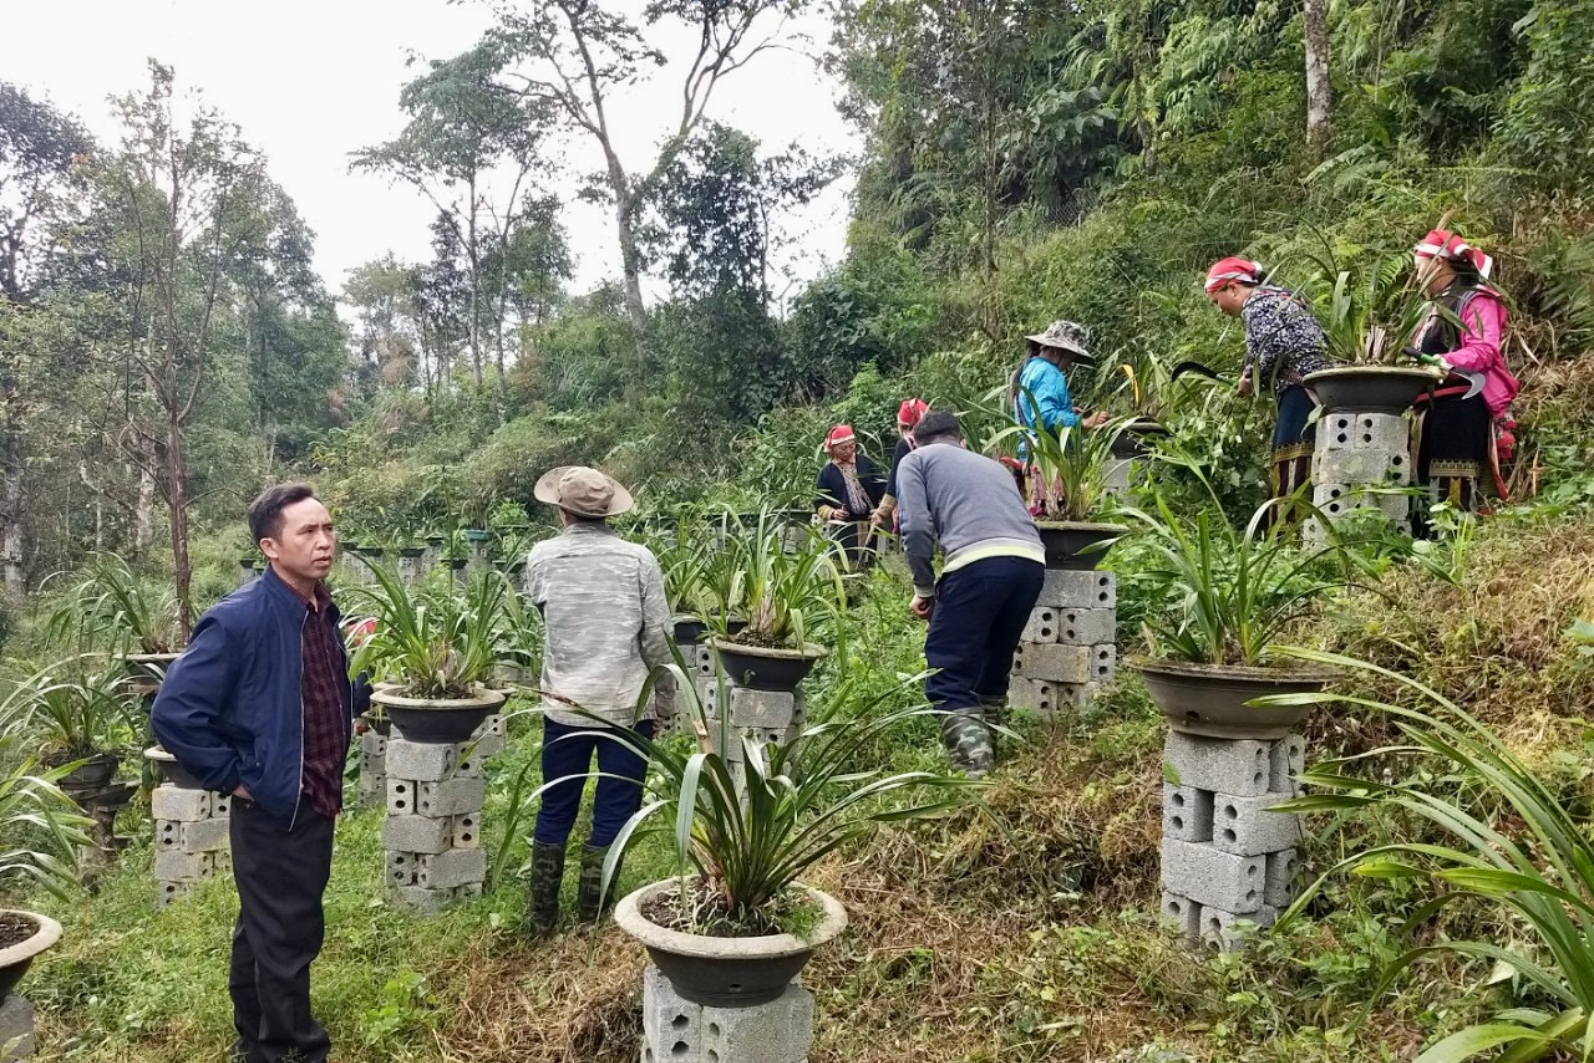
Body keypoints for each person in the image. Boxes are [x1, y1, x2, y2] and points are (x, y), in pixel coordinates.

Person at [152, 483, 368, 1063]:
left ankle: (257, 1038)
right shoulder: (239, 619)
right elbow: (173, 713)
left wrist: (358, 695)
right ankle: (296, 1050)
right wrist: (235, 777)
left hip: (314, 792)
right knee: (288, 935)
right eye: (308, 532)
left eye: (327, 528)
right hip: (277, 800)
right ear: (271, 547)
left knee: (265, 928)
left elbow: (308, 691)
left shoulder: (319, 607)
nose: (325, 542)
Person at [524, 465, 674, 936]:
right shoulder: (638, 560)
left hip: (563, 702)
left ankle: (542, 917)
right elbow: (659, 640)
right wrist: (665, 699)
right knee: (615, 808)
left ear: (562, 511)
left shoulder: (542, 557)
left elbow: (543, 612)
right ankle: (594, 917)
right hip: (626, 704)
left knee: (556, 805)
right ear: (609, 511)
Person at [895, 410, 1046, 779]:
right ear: (961, 440)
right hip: (1031, 563)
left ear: (914, 439)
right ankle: (994, 767)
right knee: (991, 669)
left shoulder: (915, 460)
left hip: (976, 563)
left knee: (947, 673)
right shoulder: (994, 467)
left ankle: (975, 777)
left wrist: (924, 589)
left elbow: (915, 529)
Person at [1204, 257, 1334, 519]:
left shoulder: (1258, 305)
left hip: (1300, 389)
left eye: (1217, 301)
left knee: (1292, 454)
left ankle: (1291, 532)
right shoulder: (1281, 298)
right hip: (1318, 385)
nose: (1219, 310)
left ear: (1232, 288)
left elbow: (1275, 346)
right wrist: (1248, 371)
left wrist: (1252, 380)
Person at [1408, 229, 1521, 519]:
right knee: (1424, 479)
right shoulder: (1430, 308)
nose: (1416, 277)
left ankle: (1454, 539)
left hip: (1460, 405)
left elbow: (1485, 349)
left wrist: (1443, 361)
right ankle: (1426, 542)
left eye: (1419, 268)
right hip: (1429, 408)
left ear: (1438, 263)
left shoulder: (1476, 299)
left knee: (1452, 477)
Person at [1011, 320, 1109, 506]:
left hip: (1029, 458)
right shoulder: (1049, 373)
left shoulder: (1030, 369)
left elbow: (1033, 411)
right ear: (1057, 351)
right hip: (1048, 465)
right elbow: (1047, 418)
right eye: (1070, 358)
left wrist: (1067, 412)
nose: (1070, 364)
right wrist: (1084, 423)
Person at [815, 424, 885, 570]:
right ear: (834, 449)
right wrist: (833, 513)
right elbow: (819, 502)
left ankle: (864, 591)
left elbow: (883, 487)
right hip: (844, 528)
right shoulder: (826, 473)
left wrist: (881, 508)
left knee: (868, 564)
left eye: (851, 446)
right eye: (843, 448)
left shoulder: (866, 463)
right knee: (843, 564)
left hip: (869, 524)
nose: (848, 451)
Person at [870, 398, 929, 532]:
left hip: (918, 511)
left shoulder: (907, 445)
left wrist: (881, 512)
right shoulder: (945, 441)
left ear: (901, 426)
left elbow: (894, 483)